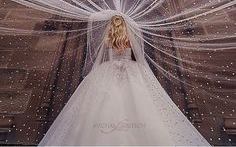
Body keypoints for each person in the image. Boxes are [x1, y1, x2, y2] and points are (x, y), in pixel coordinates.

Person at [38, 13, 210, 146]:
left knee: (101, 104)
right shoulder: (129, 38)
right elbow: (138, 56)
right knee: (141, 102)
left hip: (108, 70)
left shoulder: (107, 39)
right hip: (131, 70)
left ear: (111, 25)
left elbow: (103, 57)